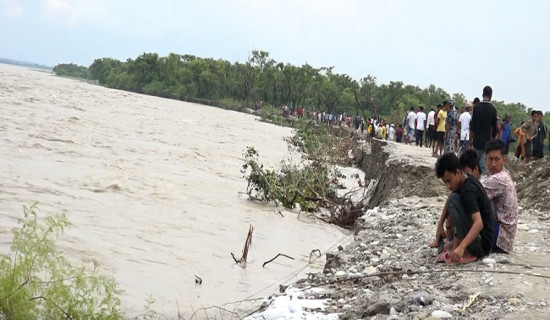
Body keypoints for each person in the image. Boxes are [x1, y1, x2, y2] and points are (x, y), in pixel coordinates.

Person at [433, 153, 494, 264]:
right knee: (453, 198)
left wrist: (461, 247)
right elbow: (450, 197)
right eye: (445, 182)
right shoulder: (463, 181)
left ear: (457, 172)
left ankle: (466, 252)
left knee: (454, 200)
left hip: (481, 245)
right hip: (479, 241)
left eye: (449, 180)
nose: (448, 185)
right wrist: (440, 224)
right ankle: (455, 245)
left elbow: (478, 223)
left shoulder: (469, 190)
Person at [481, 139, 518, 253]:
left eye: (497, 159)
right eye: (490, 159)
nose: (493, 164)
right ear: (485, 159)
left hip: (500, 236)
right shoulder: (504, 174)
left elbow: (472, 194)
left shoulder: (498, 179)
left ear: (504, 160)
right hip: (506, 237)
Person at [469, 86, 498, 174]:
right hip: (486, 144)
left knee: (473, 167)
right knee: (482, 169)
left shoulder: (476, 108)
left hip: (476, 142)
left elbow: (472, 127)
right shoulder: (493, 110)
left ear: (482, 94)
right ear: (491, 95)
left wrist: (470, 143)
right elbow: (494, 131)